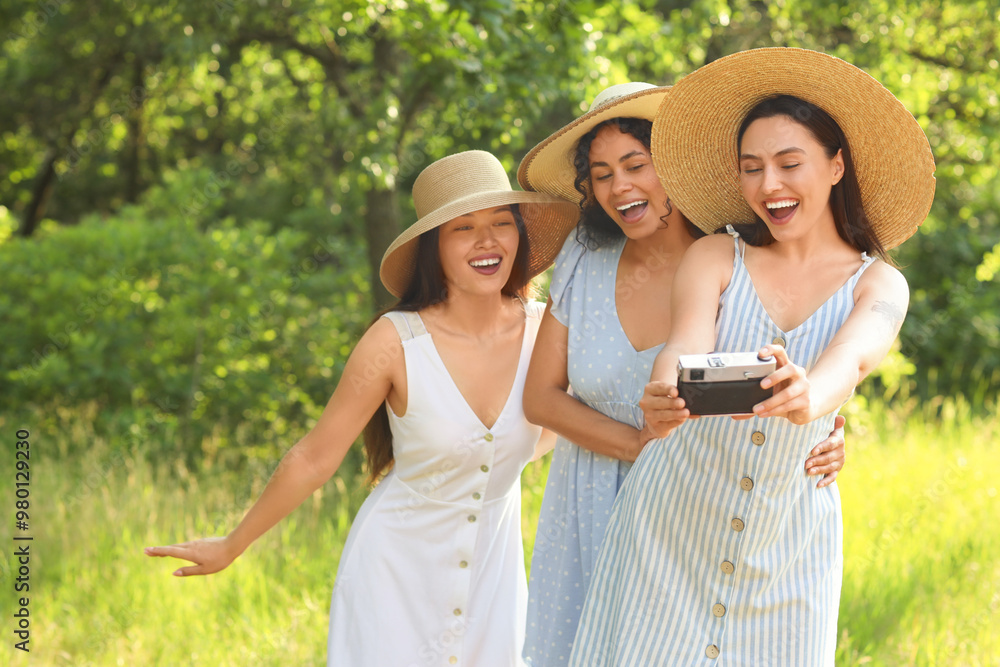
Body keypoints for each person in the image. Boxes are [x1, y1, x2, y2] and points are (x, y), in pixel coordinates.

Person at [569, 48, 935, 665]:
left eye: (790, 163)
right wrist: (661, 400)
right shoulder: (717, 256)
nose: (769, 185)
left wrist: (810, 397)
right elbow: (683, 346)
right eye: (752, 168)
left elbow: (852, 360)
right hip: (671, 529)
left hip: (788, 544)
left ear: (836, 165)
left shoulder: (879, 285)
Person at [145, 150, 579, 666]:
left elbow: (558, 422)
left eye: (501, 224)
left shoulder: (546, 329)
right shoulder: (395, 342)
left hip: (495, 583)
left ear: (520, 237)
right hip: (392, 577)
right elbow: (314, 458)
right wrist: (233, 543)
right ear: (433, 248)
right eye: (462, 228)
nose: (487, 241)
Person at [515, 82, 849, 667]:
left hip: (697, 501)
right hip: (586, 493)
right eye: (601, 174)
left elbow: (800, 355)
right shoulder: (583, 261)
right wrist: (636, 443)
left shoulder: (730, 259)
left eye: (635, 164)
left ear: (671, 165)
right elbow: (541, 398)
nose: (620, 186)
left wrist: (829, 431)